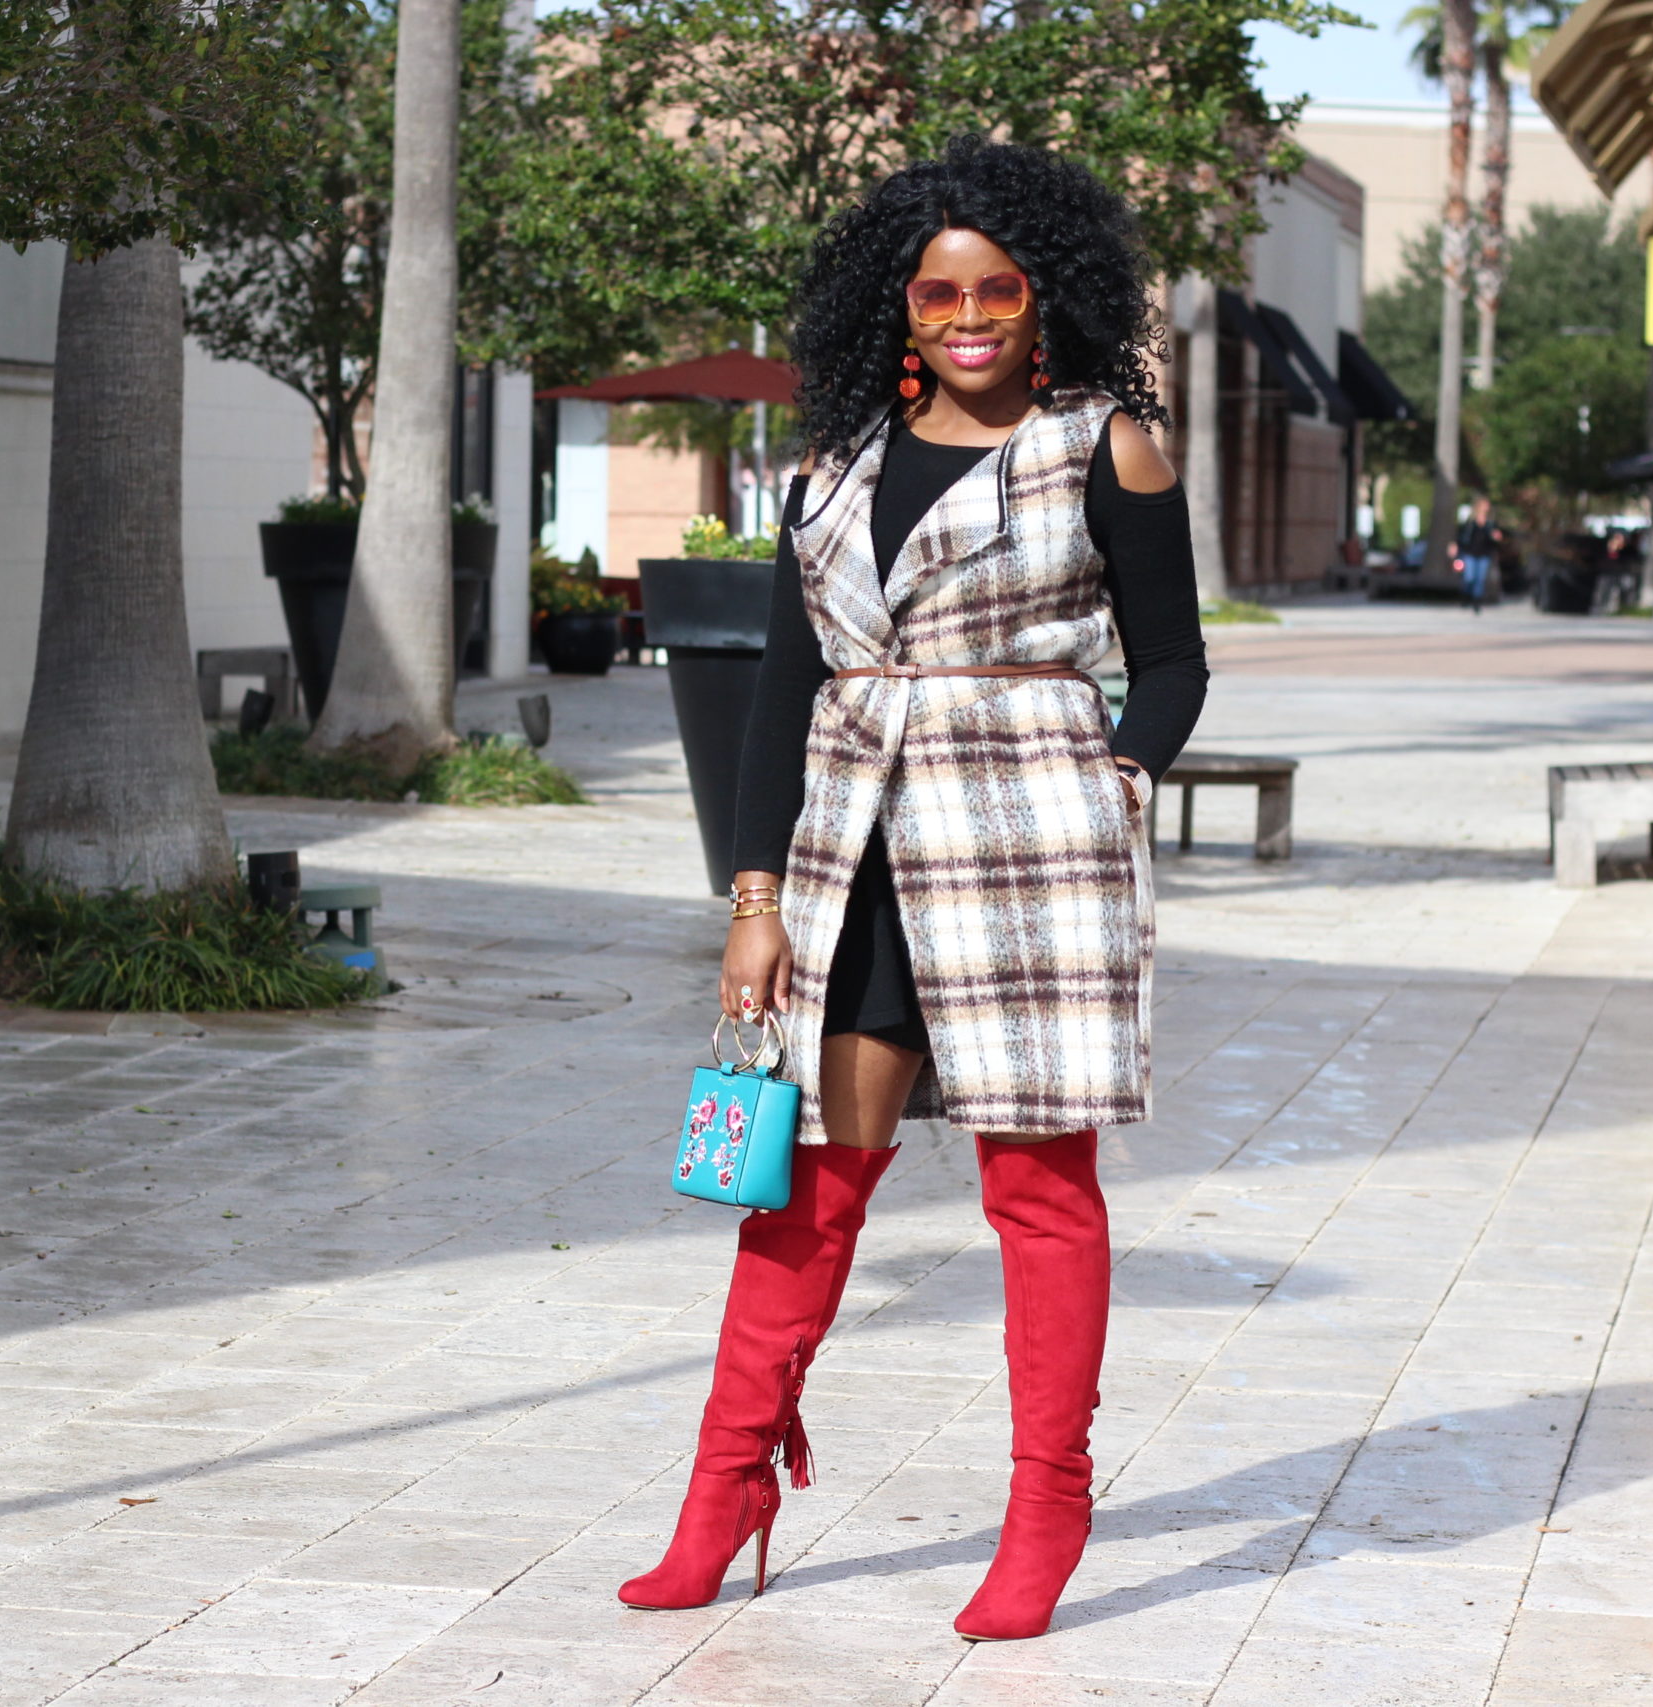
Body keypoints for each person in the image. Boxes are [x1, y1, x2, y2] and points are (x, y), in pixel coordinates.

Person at [617, 137, 1209, 1641]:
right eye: (937, 288)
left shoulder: (1104, 448)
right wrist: (752, 895)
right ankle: (728, 1483)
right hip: (850, 850)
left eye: (995, 286)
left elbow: (1177, 660)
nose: (966, 313)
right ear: (898, 305)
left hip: (1029, 850)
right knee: (811, 1181)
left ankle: (1047, 1505)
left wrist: (1115, 783)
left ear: (1042, 297)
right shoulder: (828, 473)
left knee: (1038, 1188)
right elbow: (783, 694)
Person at [1455, 496, 1503, 613]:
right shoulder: (1470, 522)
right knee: (1469, 578)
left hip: (1484, 554)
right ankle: (1466, 597)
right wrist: (1456, 546)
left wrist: (1496, 537)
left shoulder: (1491, 523)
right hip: (1470, 553)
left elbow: (1497, 537)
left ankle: (1477, 603)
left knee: (1480, 579)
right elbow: (1461, 535)